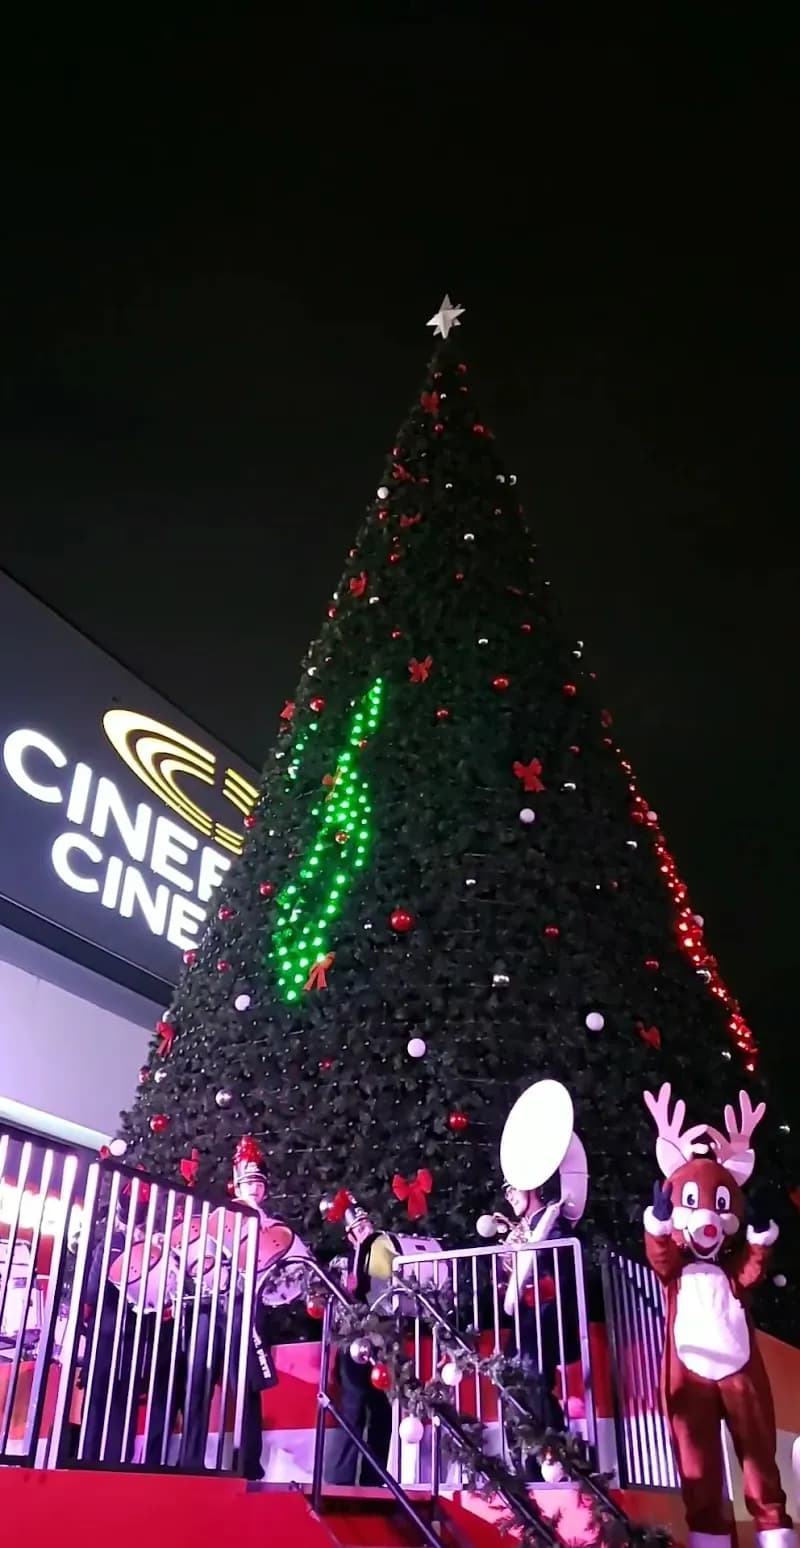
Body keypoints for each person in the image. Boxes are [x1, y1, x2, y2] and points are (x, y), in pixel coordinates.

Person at [180, 1135, 306, 1480]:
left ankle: (247, 1460)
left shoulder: (273, 1226)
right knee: (198, 1380)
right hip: (208, 1304)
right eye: (247, 1180)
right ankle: (190, 1459)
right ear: (235, 1182)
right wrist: (206, 1267)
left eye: (258, 1182)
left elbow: (293, 1270)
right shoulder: (217, 1216)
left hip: (245, 1307)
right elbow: (189, 1254)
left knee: (245, 1383)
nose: (253, 1187)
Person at [80, 1186, 181, 1466]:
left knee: (98, 1407)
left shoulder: (109, 1244)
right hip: (135, 1340)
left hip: (108, 1336)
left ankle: (88, 1464)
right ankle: (116, 1465)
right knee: (122, 1409)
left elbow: (91, 1293)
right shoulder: (155, 1249)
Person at [321, 1191, 398, 1486]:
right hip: (354, 1340)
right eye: (358, 1227)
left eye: (366, 1223)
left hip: (383, 1337)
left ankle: (374, 1479)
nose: (364, 1229)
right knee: (353, 1407)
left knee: (382, 1410)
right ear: (350, 1235)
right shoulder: (344, 1262)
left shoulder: (386, 1252)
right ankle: (339, 1480)